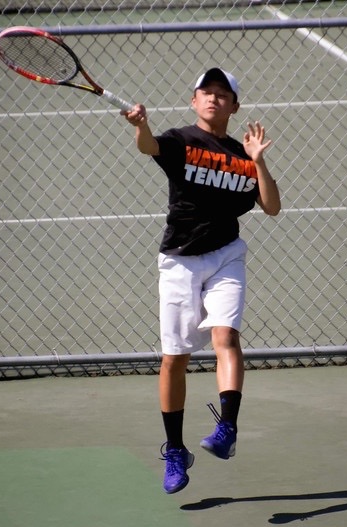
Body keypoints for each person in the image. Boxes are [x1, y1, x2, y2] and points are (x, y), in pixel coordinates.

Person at [123, 67, 281, 494]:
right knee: (175, 357)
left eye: (222, 94)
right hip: (180, 261)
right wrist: (142, 125)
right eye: (205, 93)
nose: (213, 99)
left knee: (225, 337)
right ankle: (176, 451)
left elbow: (271, 206)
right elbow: (149, 147)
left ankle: (226, 427)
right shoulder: (180, 140)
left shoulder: (242, 153)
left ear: (234, 106)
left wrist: (258, 161)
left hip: (227, 254)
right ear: (194, 101)